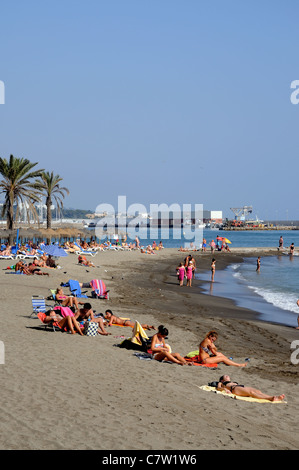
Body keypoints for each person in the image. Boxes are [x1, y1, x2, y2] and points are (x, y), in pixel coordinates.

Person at [216, 375, 285, 402]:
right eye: (225, 376)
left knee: (258, 391)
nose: (227, 376)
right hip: (234, 389)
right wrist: (224, 389)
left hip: (241, 387)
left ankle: (274, 397)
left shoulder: (233, 382)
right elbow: (218, 387)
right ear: (222, 380)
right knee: (252, 393)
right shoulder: (222, 383)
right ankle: (270, 398)